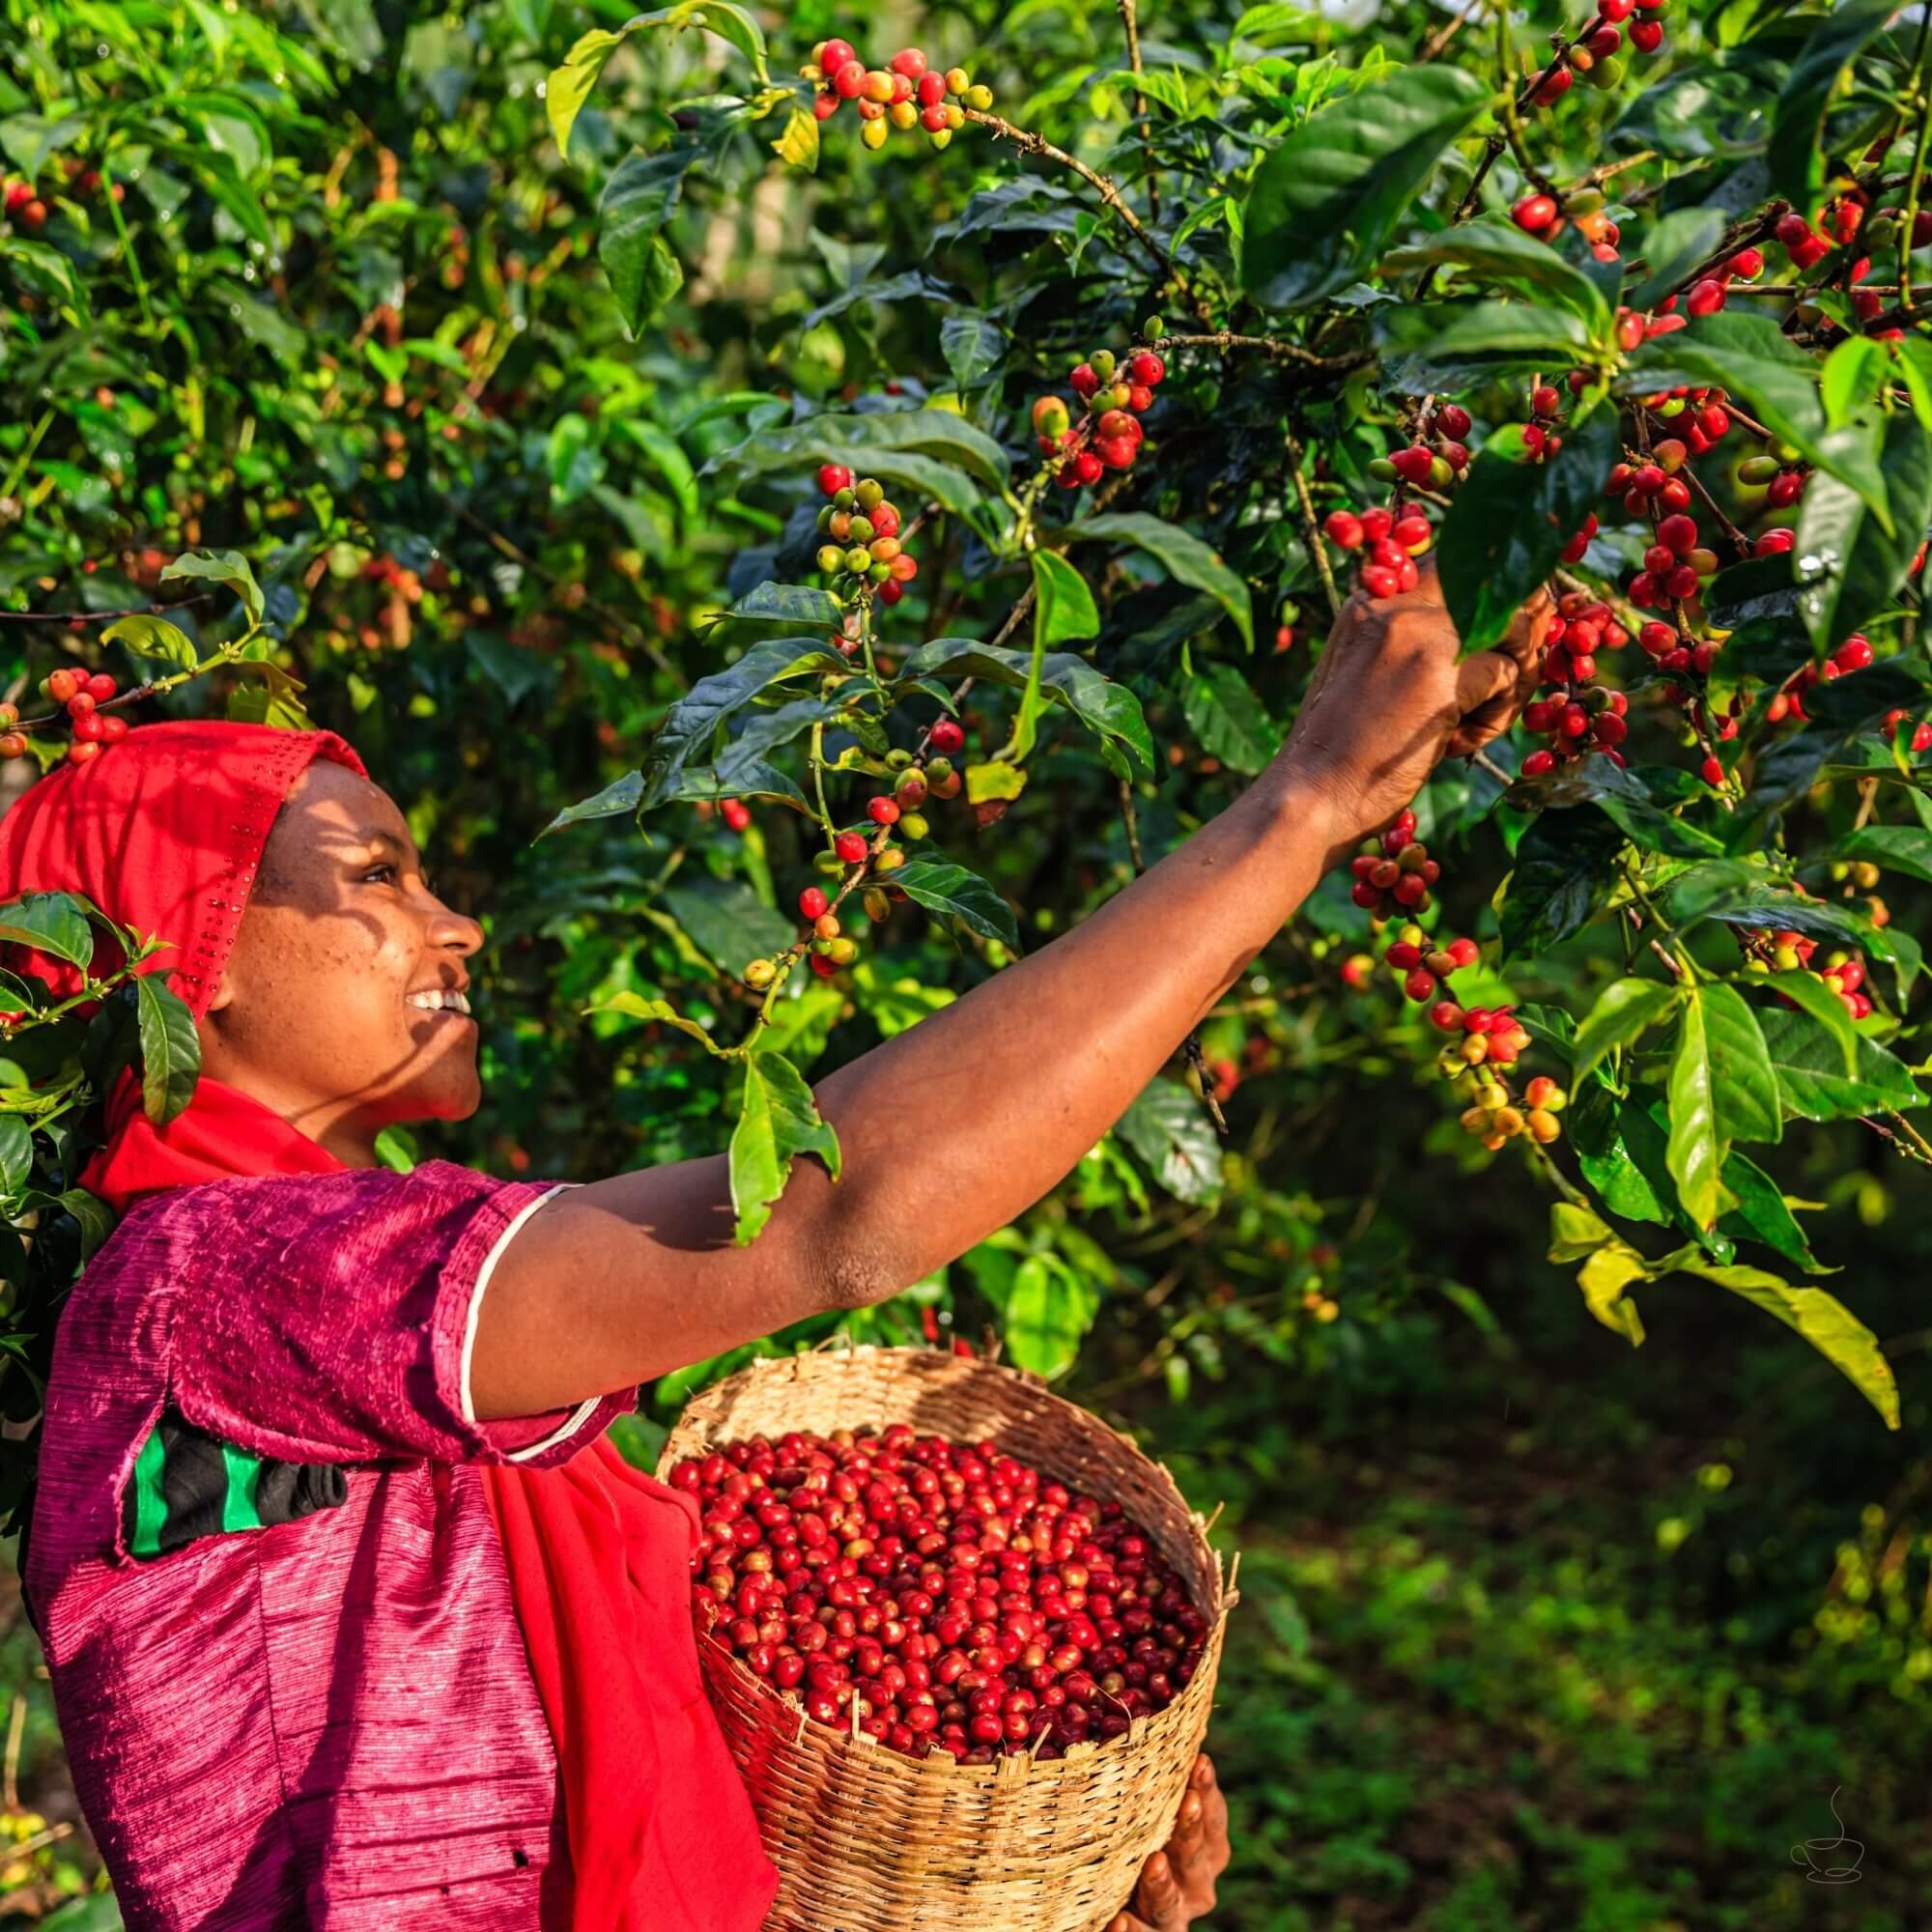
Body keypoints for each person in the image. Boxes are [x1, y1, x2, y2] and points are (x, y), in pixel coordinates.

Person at [0, 558, 1545, 1931]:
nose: (454, 922)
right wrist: (1301, 812)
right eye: (377, 880)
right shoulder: (212, 1277)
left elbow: (597, 1778)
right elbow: (835, 1214)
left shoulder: (355, 1297)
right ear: (176, 957)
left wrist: (1010, 1874)